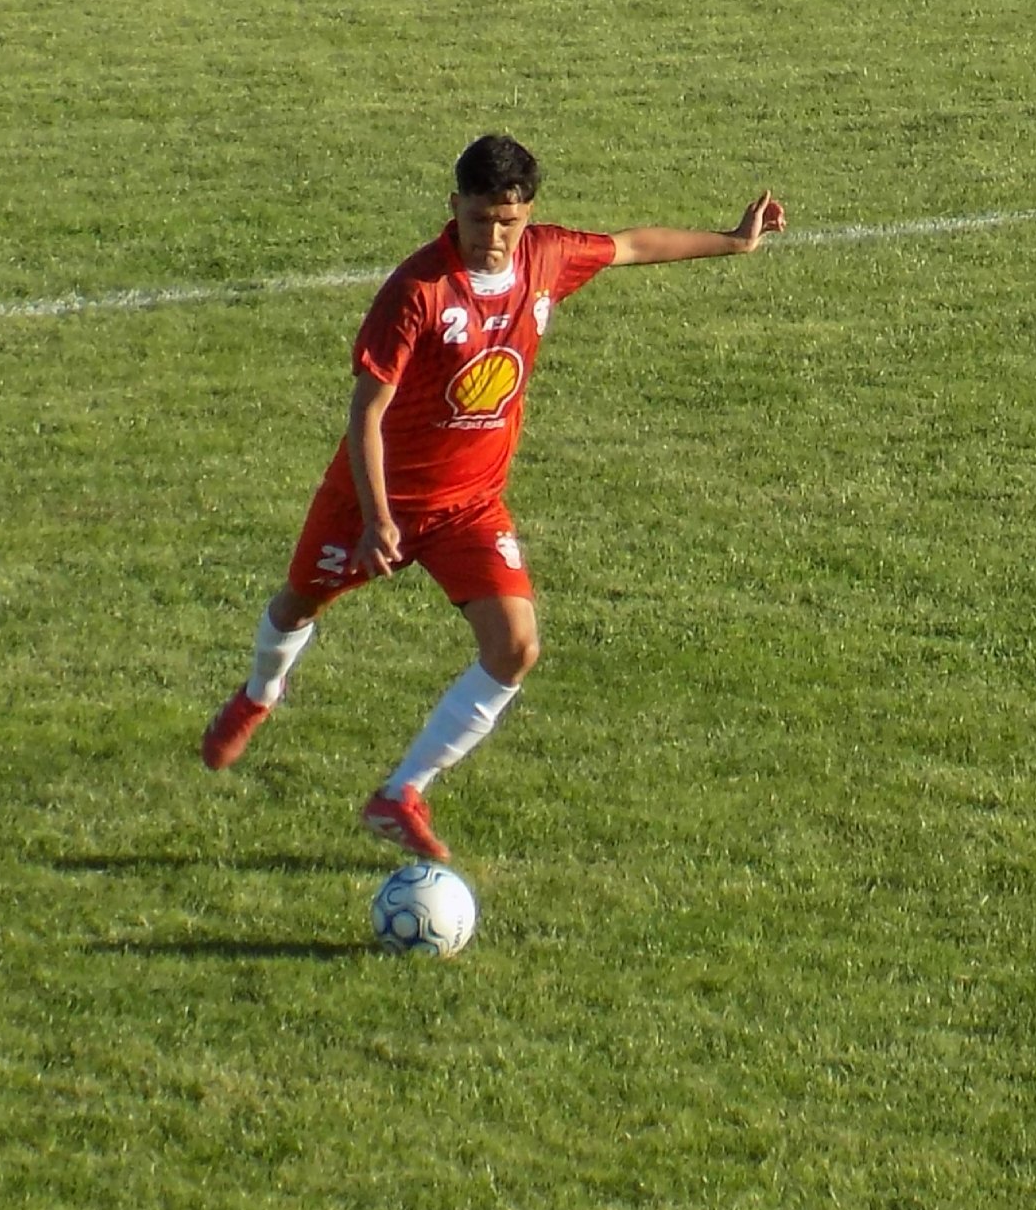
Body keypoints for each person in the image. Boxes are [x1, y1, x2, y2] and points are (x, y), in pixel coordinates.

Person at [201, 133, 784, 861]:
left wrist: (734, 242)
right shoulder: (418, 290)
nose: (494, 236)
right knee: (299, 604)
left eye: (508, 221)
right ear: (455, 207)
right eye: (480, 219)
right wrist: (377, 518)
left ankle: (400, 793)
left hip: (470, 504)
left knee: (515, 647)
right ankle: (259, 693)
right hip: (374, 502)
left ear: (527, 213)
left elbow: (632, 245)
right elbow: (366, 414)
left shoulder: (547, 256)